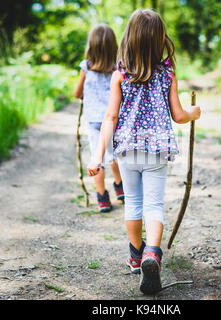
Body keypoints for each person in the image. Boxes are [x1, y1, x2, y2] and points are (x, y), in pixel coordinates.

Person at [87, 9, 201, 294]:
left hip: (126, 150)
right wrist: (193, 112)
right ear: (159, 40)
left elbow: (109, 119)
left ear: (129, 39)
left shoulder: (120, 75)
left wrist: (98, 155)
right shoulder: (167, 74)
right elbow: (178, 115)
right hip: (155, 150)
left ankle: (136, 256)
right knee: (154, 205)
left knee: (133, 203)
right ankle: (153, 253)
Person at [73, 24, 124, 213]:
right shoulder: (118, 67)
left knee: (97, 157)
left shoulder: (86, 67)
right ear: (114, 46)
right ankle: (120, 187)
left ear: (91, 46)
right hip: (112, 118)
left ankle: (102, 197)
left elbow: (77, 93)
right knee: (114, 154)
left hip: (94, 120)